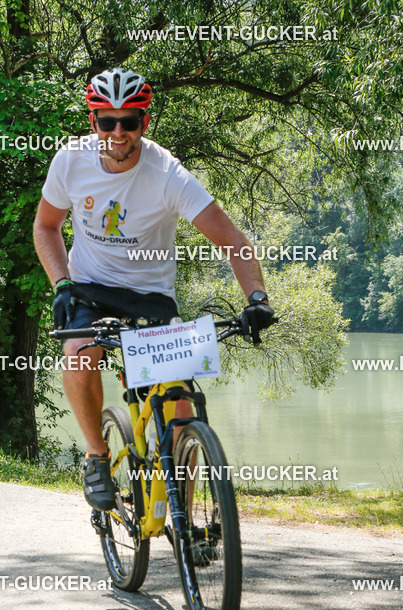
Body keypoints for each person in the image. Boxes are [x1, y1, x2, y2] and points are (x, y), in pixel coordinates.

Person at [33, 67, 275, 510]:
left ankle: (184, 518)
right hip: (89, 288)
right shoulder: (70, 161)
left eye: (131, 121)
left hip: (151, 300)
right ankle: (97, 455)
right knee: (79, 352)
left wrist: (256, 297)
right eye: (108, 121)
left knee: (180, 415)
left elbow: (231, 239)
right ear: (94, 123)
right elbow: (46, 227)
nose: (119, 131)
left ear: (146, 122)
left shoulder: (168, 174)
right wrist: (62, 284)